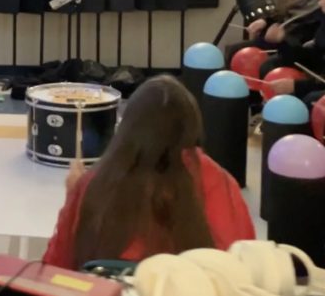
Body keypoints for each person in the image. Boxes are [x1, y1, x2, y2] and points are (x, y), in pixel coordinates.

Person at [43, 76, 255, 270]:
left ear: (127, 125)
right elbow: (244, 267)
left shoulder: (96, 181)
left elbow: (55, 269)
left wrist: (73, 195)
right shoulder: (218, 181)